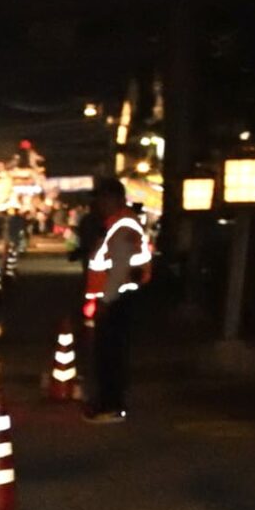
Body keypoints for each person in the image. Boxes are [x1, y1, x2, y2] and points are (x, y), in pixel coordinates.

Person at [81, 176, 151, 421]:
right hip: (119, 299)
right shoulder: (118, 225)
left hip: (117, 301)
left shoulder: (123, 228)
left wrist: (104, 301)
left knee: (109, 354)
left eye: (103, 198)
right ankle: (109, 403)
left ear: (116, 199)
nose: (99, 204)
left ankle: (111, 406)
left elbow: (119, 270)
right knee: (111, 353)